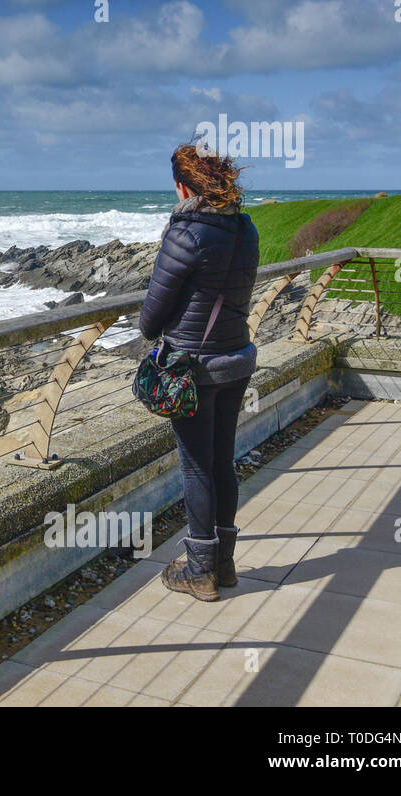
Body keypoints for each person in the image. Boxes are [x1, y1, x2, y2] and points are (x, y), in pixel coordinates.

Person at [139, 143, 260, 601]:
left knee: (196, 467)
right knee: (221, 461)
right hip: (236, 359)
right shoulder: (245, 228)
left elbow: (150, 320)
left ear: (183, 186)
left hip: (193, 370)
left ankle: (200, 570)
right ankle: (224, 565)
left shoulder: (185, 233)